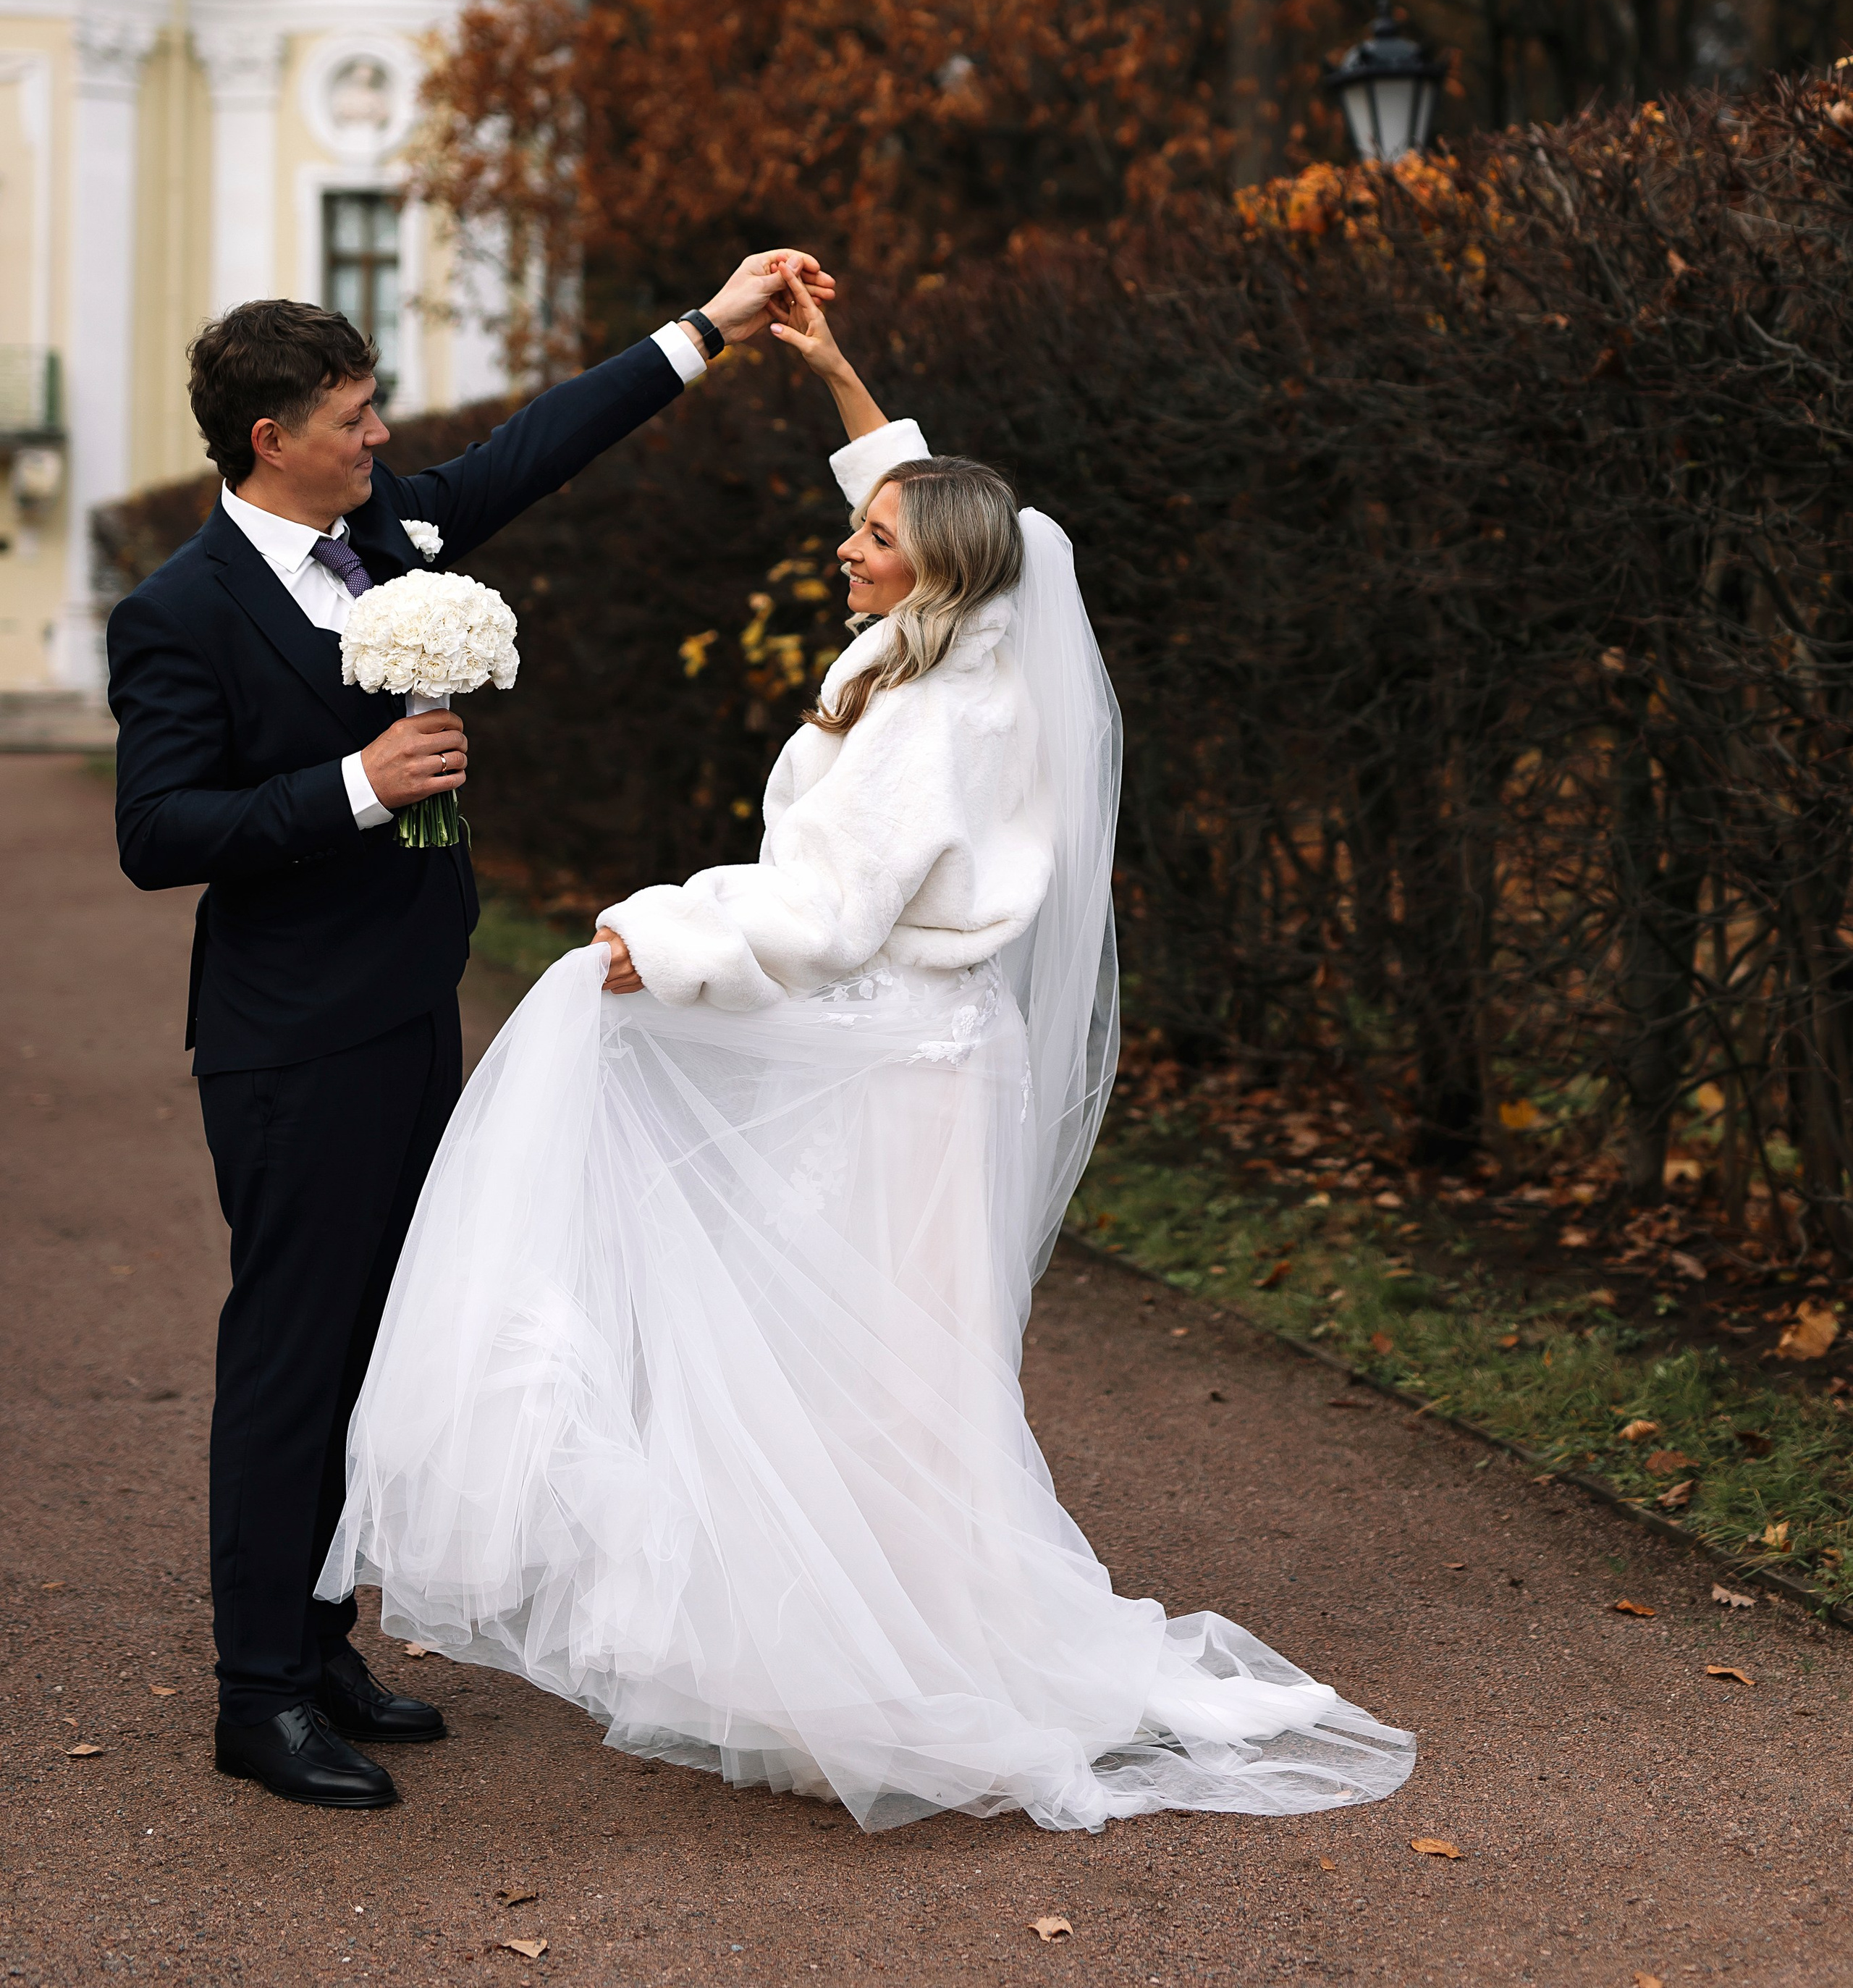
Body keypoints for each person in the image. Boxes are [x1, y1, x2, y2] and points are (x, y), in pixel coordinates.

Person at [318, 268, 1415, 1832]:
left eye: (871, 539)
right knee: (865, 1361)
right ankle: (844, 1652)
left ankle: (903, 1668)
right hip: (904, 1055)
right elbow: (919, 496)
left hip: (896, 1070)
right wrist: (833, 373)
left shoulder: (939, 719)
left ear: (934, 575)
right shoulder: (955, 643)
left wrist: (667, 940)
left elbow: (832, 907)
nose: (842, 542)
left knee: (883, 1372)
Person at [107, 253, 835, 1811]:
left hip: (409, 1011)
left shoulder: (389, 537)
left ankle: (317, 1647)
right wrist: (362, 785)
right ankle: (256, 1696)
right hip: (288, 1040)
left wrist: (709, 329)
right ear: (266, 439)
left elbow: (539, 446)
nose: (381, 438)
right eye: (354, 420)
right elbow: (159, 830)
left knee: (383, 1337)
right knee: (294, 1355)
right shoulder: (177, 612)